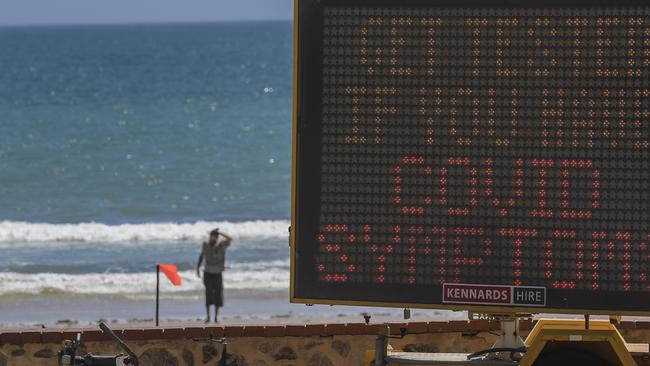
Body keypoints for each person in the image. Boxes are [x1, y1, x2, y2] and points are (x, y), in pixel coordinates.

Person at [196, 228, 232, 323]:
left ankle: (216, 317)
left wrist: (220, 232)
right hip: (208, 273)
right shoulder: (206, 245)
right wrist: (197, 268)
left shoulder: (221, 245)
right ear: (210, 237)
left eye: (216, 237)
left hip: (217, 273)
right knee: (208, 295)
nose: (214, 239)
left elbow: (230, 239)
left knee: (218, 296)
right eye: (213, 236)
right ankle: (208, 317)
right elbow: (201, 256)